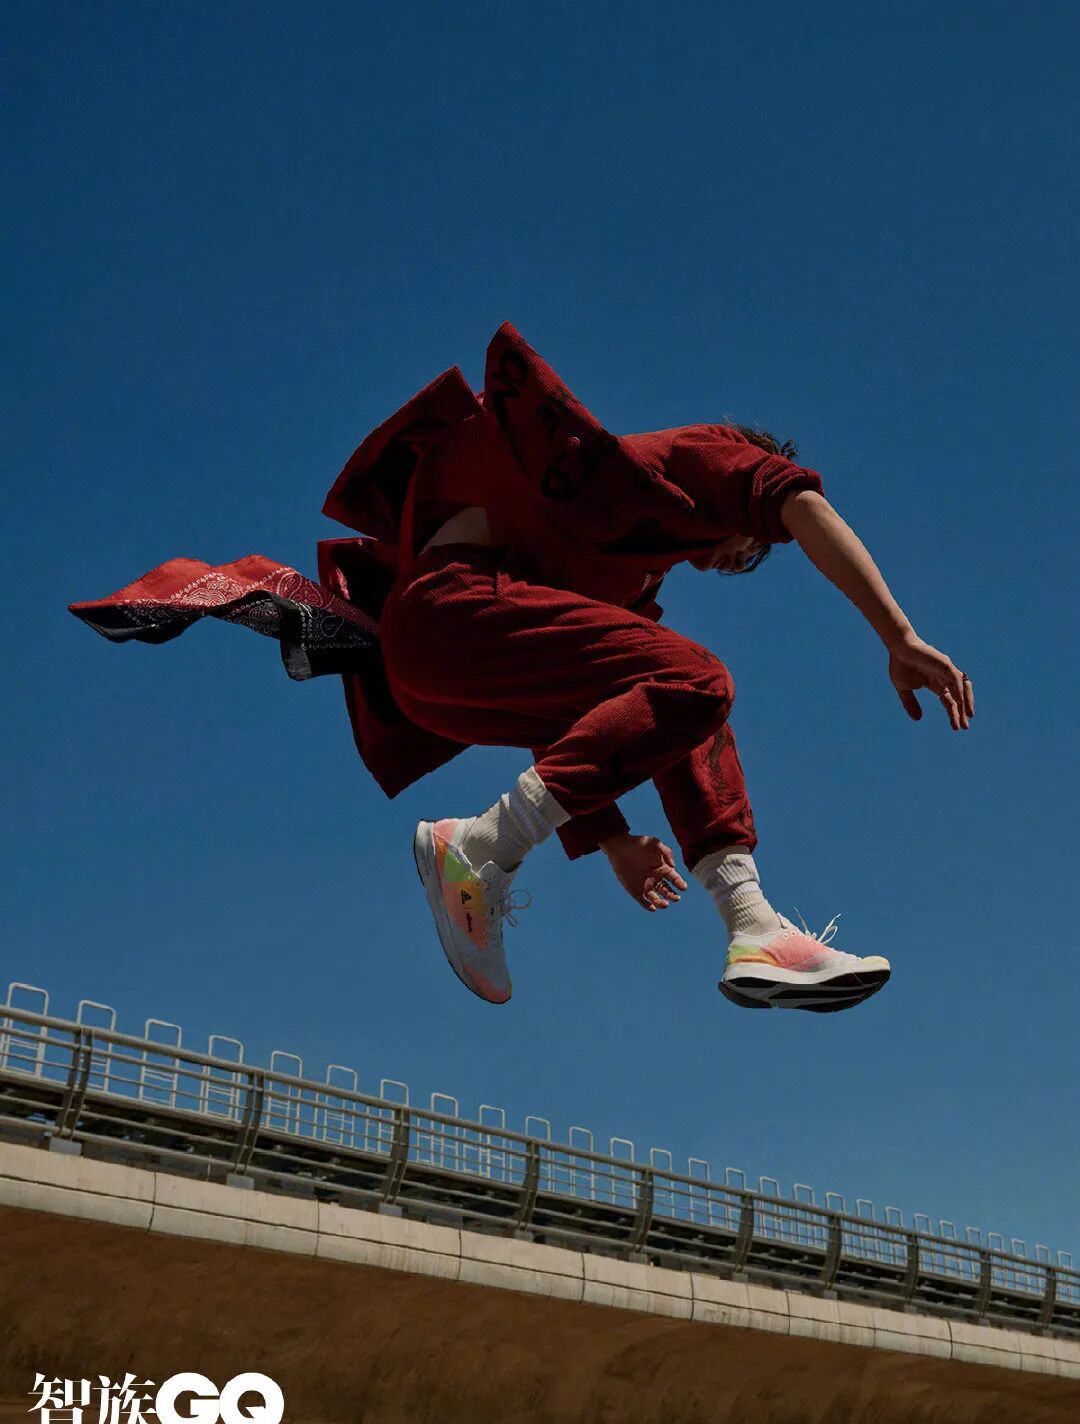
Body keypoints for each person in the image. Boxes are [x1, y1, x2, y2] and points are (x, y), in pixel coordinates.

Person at [70, 322, 974, 1015]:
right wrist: (896, 633)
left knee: (686, 695)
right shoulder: (706, 456)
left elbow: (595, 718)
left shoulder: (628, 574)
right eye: (746, 550)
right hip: (449, 609)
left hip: (442, 672)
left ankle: (751, 924)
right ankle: (478, 848)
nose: (732, 562)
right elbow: (800, 502)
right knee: (699, 676)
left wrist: (611, 838)